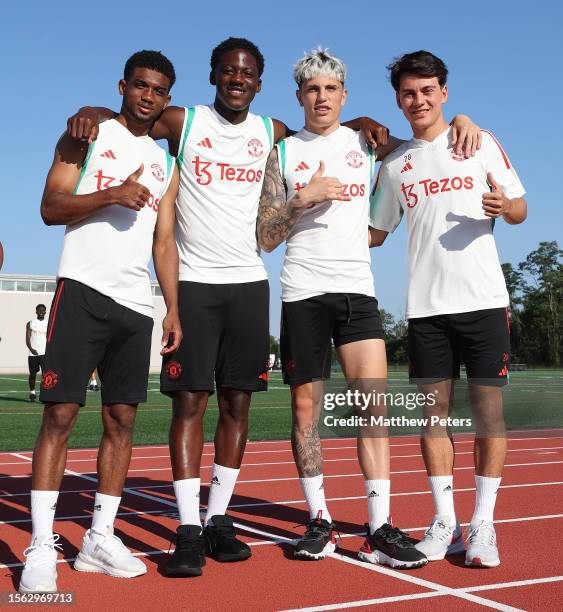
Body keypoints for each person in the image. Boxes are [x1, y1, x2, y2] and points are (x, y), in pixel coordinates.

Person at [66, 37, 406, 578]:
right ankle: (187, 527)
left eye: (247, 73)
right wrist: (95, 112)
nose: (238, 79)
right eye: (228, 71)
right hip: (197, 285)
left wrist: (363, 120)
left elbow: (323, 133)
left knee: (237, 409)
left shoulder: (272, 133)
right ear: (215, 76)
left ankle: (219, 518)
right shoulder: (183, 121)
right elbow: (135, 117)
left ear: (260, 83)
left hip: (251, 284)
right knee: (189, 408)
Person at [256, 48, 479, 568]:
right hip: (302, 293)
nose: (321, 97)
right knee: (306, 412)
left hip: (357, 292)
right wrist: (302, 197)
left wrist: (463, 117)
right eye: (311, 89)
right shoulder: (283, 153)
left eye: (330, 89)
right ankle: (321, 522)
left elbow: (427, 145)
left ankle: (379, 525)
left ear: (344, 95)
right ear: (299, 96)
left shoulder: (367, 142)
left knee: (371, 407)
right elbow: (266, 237)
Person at [18, 50, 181, 594]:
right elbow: (49, 206)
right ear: (122, 86)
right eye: (140, 86)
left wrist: (171, 308)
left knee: (122, 423)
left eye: (159, 90)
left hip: (137, 305)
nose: (148, 97)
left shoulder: (164, 163)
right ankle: (41, 544)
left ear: (165, 99)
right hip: (83, 290)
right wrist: (111, 194)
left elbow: (163, 242)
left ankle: (99, 539)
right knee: (60, 415)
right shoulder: (84, 134)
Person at [370, 50, 527, 568]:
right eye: (408, 93)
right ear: (398, 99)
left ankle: (483, 525)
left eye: (427, 90)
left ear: (443, 92)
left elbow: (521, 208)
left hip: (483, 301)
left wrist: (504, 207)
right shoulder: (394, 165)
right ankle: (445, 523)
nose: (418, 100)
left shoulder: (478, 141)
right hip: (426, 310)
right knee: (433, 418)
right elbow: (373, 233)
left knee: (487, 416)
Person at [26, 304, 48, 402]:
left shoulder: (49, 323)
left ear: (45, 312)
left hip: (44, 353)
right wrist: (31, 348)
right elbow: (27, 338)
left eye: (43, 310)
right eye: (39, 310)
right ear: (36, 311)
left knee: (45, 375)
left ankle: (44, 395)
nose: (41, 312)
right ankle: (32, 392)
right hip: (33, 353)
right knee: (33, 374)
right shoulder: (30, 323)